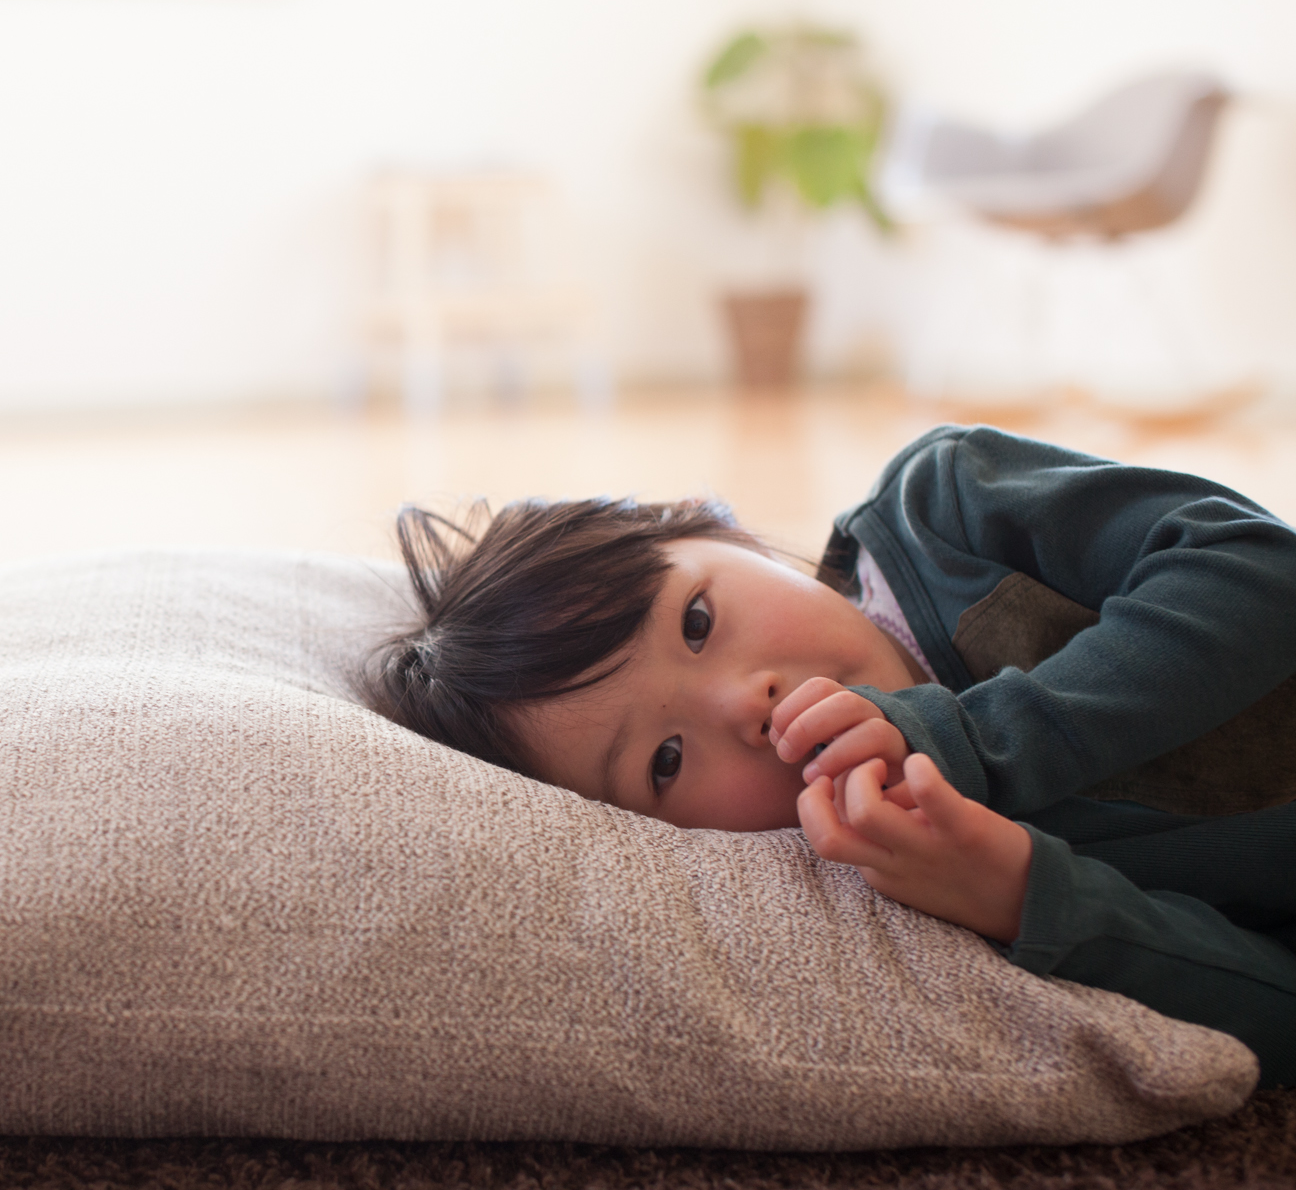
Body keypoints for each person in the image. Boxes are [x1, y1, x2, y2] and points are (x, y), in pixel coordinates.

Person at [364, 424, 1296, 1086]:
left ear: (711, 524)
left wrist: (975, 742)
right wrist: (1024, 893)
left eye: (697, 619)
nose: (746, 703)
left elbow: (1258, 566)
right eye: (664, 762)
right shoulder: (911, 873)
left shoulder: (941, 507)